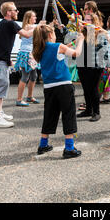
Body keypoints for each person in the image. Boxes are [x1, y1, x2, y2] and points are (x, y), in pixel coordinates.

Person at [33, 24, 85, 158]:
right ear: (51, 35)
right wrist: (80, 41)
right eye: (54, 33)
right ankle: (69, 147)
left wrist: (70, 44)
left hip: (49, 87)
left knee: (50, 114)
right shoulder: (58, 46)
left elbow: (60, 51)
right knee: (68, 114)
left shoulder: (40, 49)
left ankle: (43, 144)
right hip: (63, 85)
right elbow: (76, 53)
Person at [0, 2, 39, 128]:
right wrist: (39, 27)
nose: (17, 12)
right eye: (15, 10)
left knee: (0, 87)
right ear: (8, 12)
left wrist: (7, 59)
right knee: (0, 89)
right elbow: (27, 34)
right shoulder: (10, 23)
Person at [76, 13, 110, 122]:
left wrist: (107, 64)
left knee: (95, 89)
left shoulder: (100, 33)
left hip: (96, 66)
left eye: (89, 20)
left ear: (94, 21)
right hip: (82, 64)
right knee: (86, 89)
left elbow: (105, 50)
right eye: (85, 19)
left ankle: (96, 112)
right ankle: (88, 110)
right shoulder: (81, 32)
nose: (86, 21)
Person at [14, 11, 40, 107]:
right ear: (29, 18)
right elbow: (37, 28)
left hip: (32, 54)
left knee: (34, 76)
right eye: (34, 16)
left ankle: (29, 96)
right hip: (26, 54)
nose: (35, 18)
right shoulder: (28, 27)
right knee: (25, 76)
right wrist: (41, 25)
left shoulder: (32, 27)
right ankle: (19, 99)